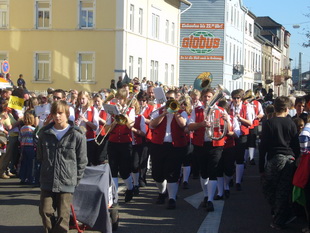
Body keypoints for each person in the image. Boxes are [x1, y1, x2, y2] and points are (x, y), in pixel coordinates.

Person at [37, 100, 87, 233]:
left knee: (63, 216)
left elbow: (82, 161)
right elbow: (40, 157)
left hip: (67, 180)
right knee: (45, 210)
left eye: (60, 113)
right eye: (54, 113)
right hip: (48, 179)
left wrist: (75, 180)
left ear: (67, 114)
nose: (57, 116)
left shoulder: (76, 134)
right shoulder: (44, 133)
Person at [259, 96, 300, 230]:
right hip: (290, 159)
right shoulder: (291, 123)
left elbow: (263, 146)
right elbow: (296, 145)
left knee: (269, 187)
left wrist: (261, 167)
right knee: (283, 189)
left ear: (274, 108)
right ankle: (282, 215)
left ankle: (279, 215)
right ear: (287, 109)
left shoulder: (269, 123)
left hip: (275, 158)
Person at [188, 88, 229, 211]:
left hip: (216, 144)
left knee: (213, 172)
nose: (207, 99)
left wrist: (226, 120)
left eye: (209, 96)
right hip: (201, 144)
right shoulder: (197, 111)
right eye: (205, 96)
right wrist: (201, 124)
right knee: (203, 172)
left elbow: (228, 129)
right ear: (201, 98)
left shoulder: (221, 110)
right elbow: (189, 126)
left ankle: (210, 199)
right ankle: (206, 195)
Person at [150, 90, 187, 209]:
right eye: (167, 98)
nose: (168, 101)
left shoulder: (182, 112)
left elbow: (183, 125)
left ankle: (172, 198)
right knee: (157, 174)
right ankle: (162, 192)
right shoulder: (158, 111)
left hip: (175, 146)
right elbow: (152, 125)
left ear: (176, 99)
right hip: (158, 145)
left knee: (172, 173)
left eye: (171, 99)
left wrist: (175, 113)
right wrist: (163, 113)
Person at [18, 112, 36, 184]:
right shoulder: (33, 129)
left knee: (23, 162)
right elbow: (36, 139)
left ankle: (23, 177)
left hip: (23, 147)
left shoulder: (22, 128)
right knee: (30, 163)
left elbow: (19, 138)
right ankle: (30, 178)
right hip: (31, 147)